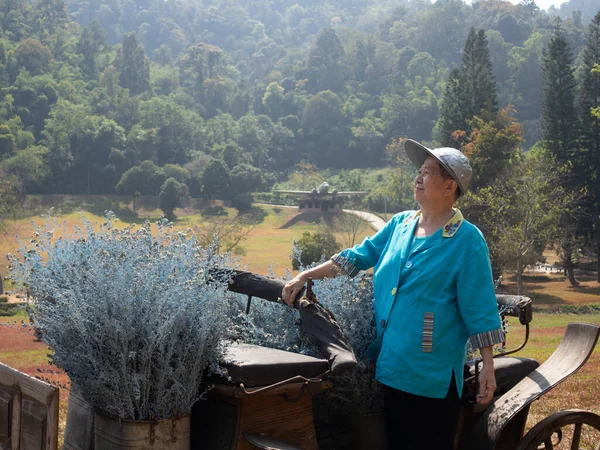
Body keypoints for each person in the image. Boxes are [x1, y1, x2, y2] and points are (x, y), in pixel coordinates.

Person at [282, 139, 503, 450]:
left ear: (449, 186)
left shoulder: (467, 240)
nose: (418, 177)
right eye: (419, 170)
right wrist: (305, 275)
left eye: (428, 172)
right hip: (393, 365)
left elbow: (479, 307)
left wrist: (488, 367)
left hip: (432, 373)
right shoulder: (401, 224)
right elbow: (356, 257)